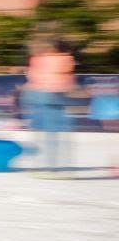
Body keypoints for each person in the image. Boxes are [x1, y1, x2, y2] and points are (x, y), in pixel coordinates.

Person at [24, 37, 76, 171]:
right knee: (56, 132)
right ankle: (57, 165)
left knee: (42, 131)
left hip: (40, 95)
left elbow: (32, 76)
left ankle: (44, 163)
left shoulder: (39, 58)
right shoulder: (67, 59)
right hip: (56, 96)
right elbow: (68, 78)